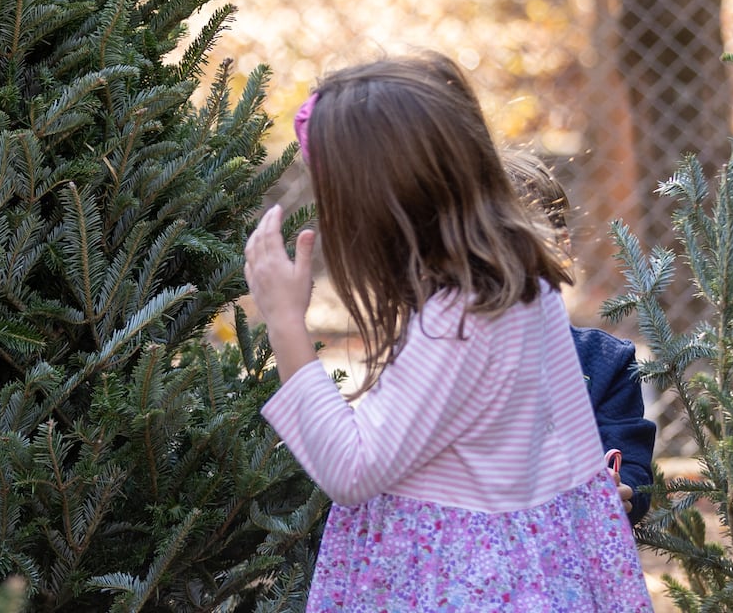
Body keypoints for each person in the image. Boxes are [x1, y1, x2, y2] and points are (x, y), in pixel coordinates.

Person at [245, 53, 651, 610]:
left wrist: (286, 324)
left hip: (463, 589)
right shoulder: (518, 280)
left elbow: (351, 469)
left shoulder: (460, 320)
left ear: (381, 209)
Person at [504, 147, 656, 525]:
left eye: (519, 242)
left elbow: (629, 456)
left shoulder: (605, 361)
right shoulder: (448, 354)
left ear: (561, 246)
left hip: (574, 543)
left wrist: (627, 493)